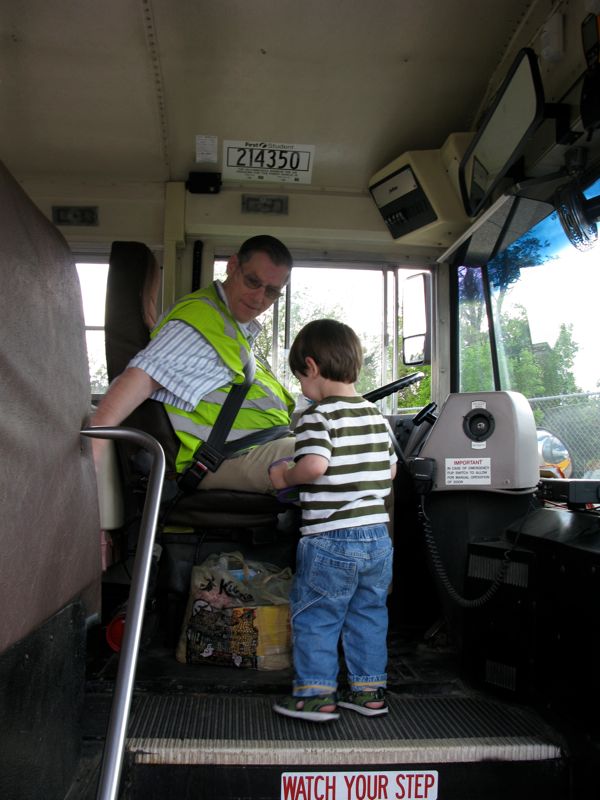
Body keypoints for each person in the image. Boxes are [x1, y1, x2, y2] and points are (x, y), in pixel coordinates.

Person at [91, 235, 296, 492]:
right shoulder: (199, 321)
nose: (259, 298)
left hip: (259, 445)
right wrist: (96, 442)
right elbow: (141, 377)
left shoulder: (232, 327)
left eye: (271, 291)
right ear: (232, 266)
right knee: (338, 459)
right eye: (253, 282)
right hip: (225, 457)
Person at [269, 319, 397, 722]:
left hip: (330, 537)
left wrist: (284, 477)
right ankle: (368, 691)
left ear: (311, 366)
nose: (301, 388)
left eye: (299, 378)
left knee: (318, 614)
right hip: (378, 536)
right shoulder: (376, 416)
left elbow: (314, 465)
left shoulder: (316, 416)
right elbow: (390, 473)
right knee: (369, 612)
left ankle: (315, 695)